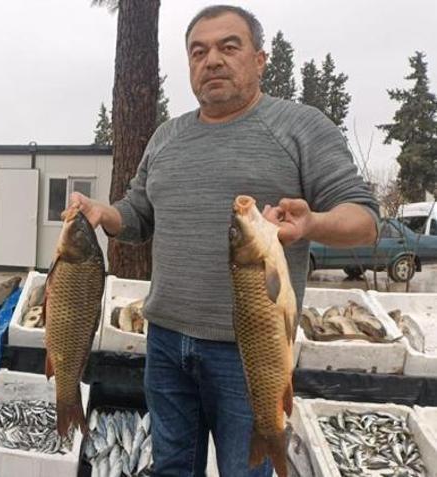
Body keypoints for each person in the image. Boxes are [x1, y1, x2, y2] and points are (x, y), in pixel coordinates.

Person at [66, 5, 379, 476]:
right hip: (165, 342)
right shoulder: (166, 137)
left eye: (228, 47)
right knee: (172, 467)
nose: (211, 60)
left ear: (260, 59)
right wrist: (103, 213)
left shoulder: (301, 126)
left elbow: (364, 219)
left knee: (244, 469)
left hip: (251, 351)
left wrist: (312, 223)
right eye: (198, 52)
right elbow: (138, 215)